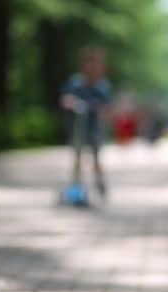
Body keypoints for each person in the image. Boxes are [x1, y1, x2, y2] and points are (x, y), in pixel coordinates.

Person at [60, 46, 112, 200]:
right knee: (77, 157)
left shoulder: (102, 86)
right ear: (84, 65)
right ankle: (76, 186)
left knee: (96, 157)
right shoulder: (76, 82)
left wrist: (98, 108)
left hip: (95, 128)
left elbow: (107, 106)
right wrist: (74, 103)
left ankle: (99, 182)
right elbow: (65, 99)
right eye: (90, 64)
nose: (93, 68)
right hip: (78, 127)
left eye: (96, 65)